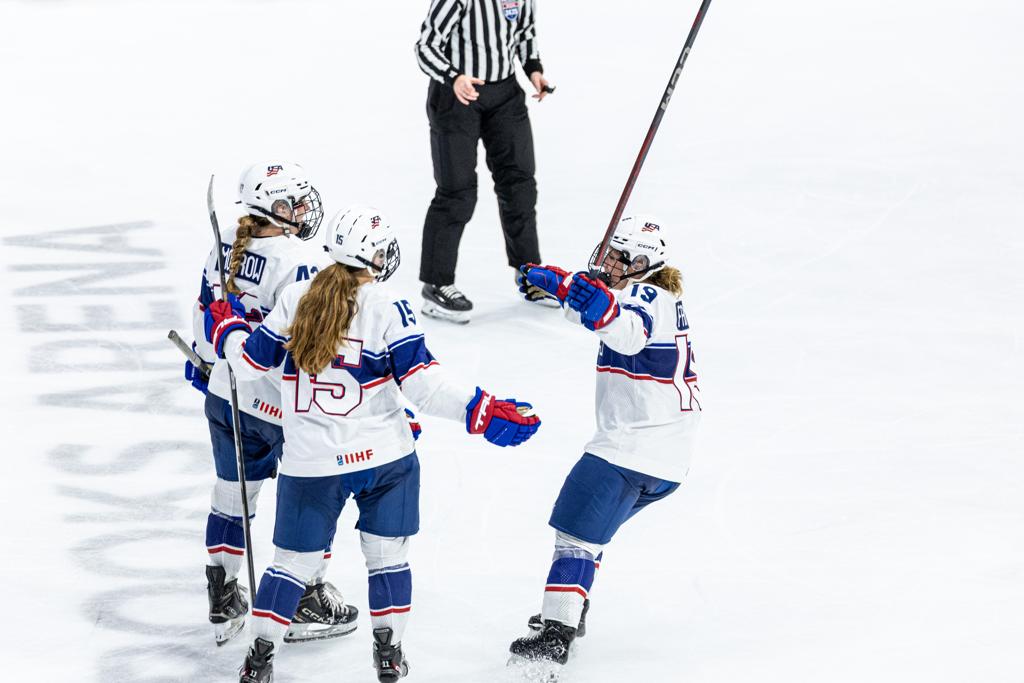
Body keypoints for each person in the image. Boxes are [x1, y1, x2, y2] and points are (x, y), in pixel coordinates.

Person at [203, 206, 542, 682]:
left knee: (290, 566)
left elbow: (250, 365)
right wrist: (481, 409)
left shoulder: (298, 296)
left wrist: (228, 330)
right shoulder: (387, 305)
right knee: (387, 560)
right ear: (375, 257)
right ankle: (389, 656)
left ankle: (259, 660)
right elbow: (424, 386)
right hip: (384, 458)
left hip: (312, 462)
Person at [507, 215, 702, 672]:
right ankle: (571, 606)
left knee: (575, 537)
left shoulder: (645, 297)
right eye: (609, 252)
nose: (608, 261)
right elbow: (592, 311)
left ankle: (555, 637)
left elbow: (625, 332)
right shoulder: (650, 295)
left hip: (631, 449)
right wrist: (560, 284)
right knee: (589, 536)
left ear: (640, 264)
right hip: (667, 458)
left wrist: (588, 297)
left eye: (618, 257)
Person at [187, 161, 357, 645]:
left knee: (231, 496)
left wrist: (207, 358)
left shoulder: (225, 243)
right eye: (295, 203)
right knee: (313, 498)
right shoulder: (301, 261)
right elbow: (312, 347)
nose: (303, 211)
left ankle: (222, 594)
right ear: (276, 207)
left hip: (226, 394)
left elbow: (207, 313)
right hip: (284, 407)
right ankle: (305, 597)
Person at [414, 0, 557, 324]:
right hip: (457, 96)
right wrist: (453, 76)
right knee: (457, 192)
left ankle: (529, 272)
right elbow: (425, 46)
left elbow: (524, 32)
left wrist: (533, 69)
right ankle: (436, 284)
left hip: (505, 94)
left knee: (520, 184)